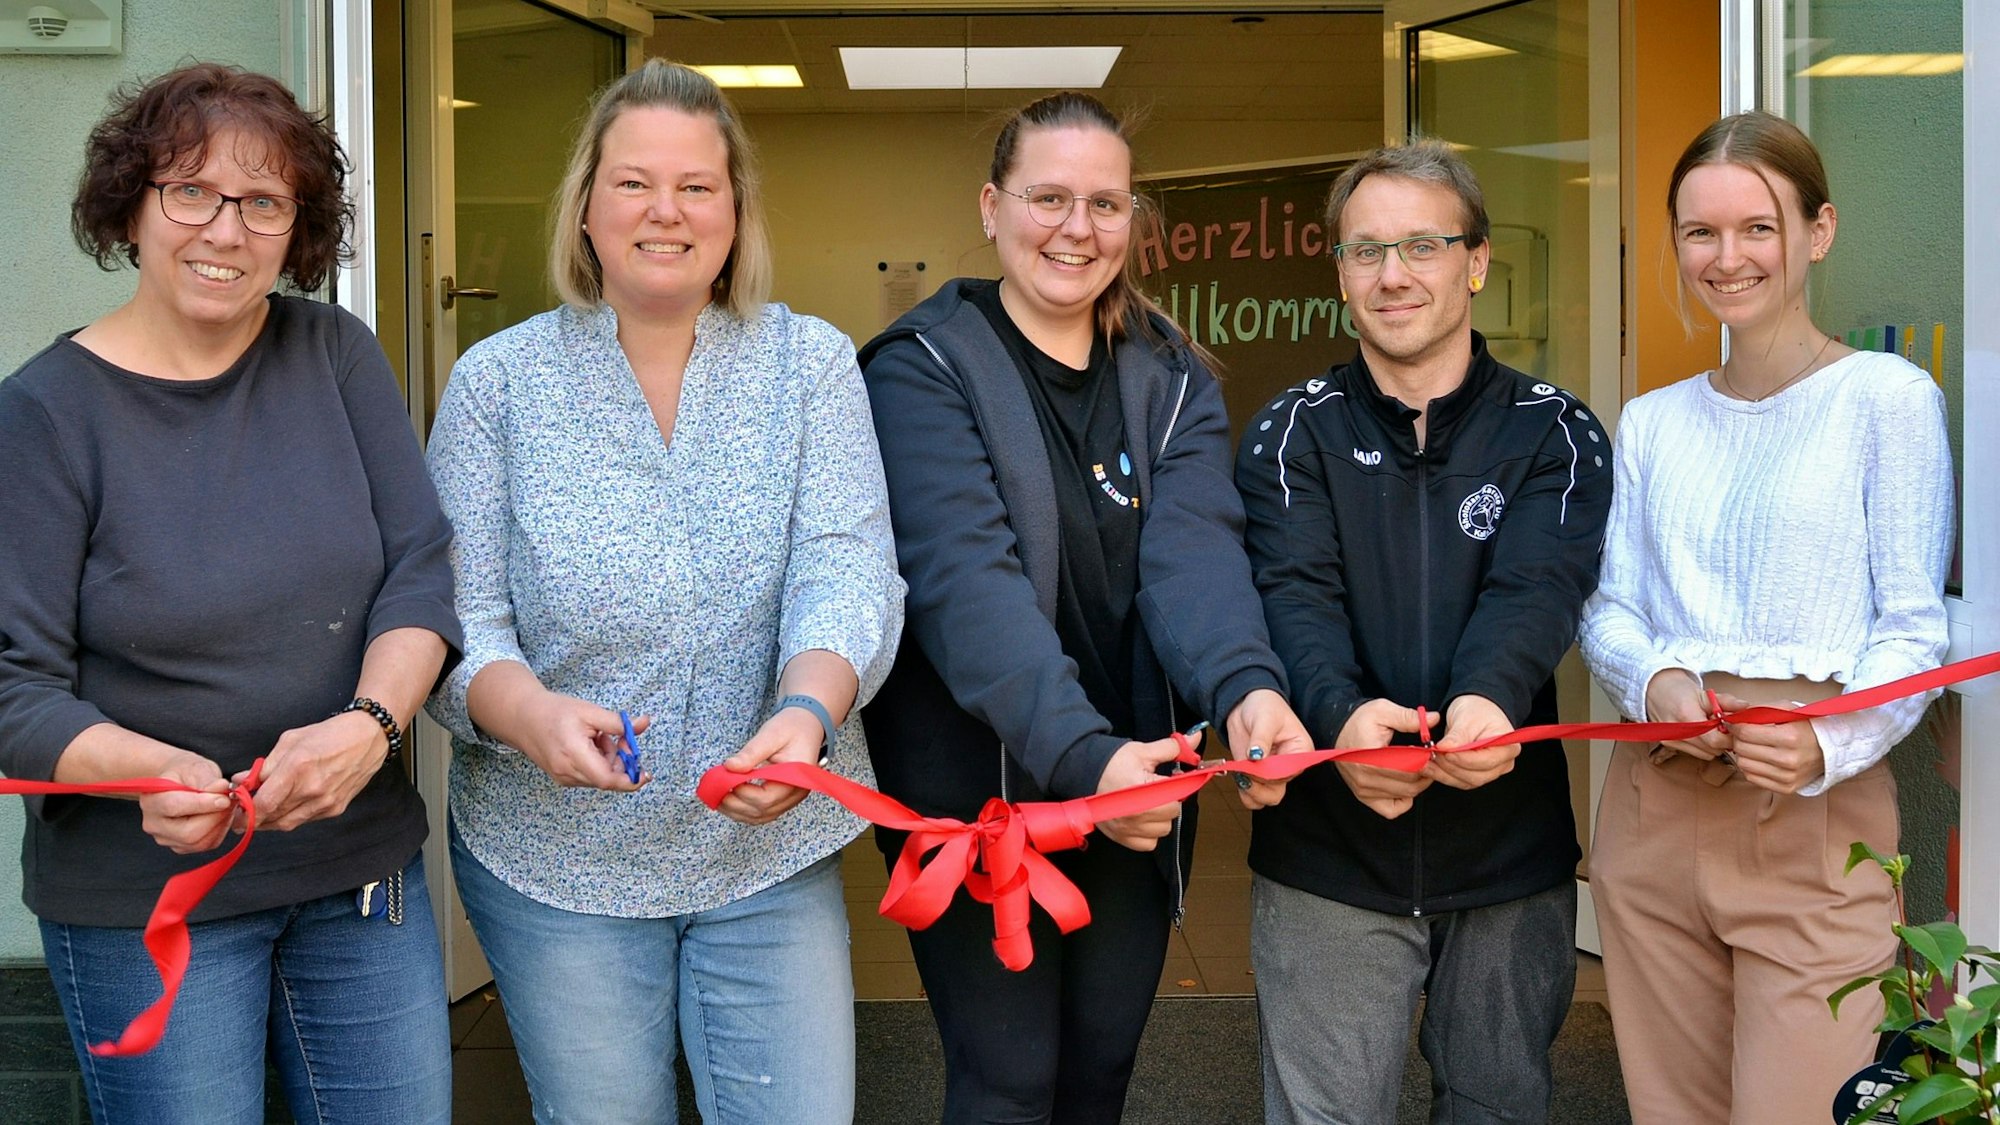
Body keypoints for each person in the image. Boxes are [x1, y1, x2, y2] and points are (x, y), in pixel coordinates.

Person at [423, 59, 903, 1125]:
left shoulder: (809, 365)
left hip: (762, 845)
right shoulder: (498, 383)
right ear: (586, 206)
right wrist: (529, 712)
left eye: (697, 186)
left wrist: (805, 715)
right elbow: (455, 620)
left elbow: (847, 570)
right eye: (633, 182)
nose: (665, 212)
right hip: (555, 860)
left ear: (735, 214)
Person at [0, 63, 461, 1122]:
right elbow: (14, 690)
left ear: (297, 228)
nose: (225, 229)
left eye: (264, 202)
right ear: (132, 204)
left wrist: (372, 724)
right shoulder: (44, 415)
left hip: (357, 876)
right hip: (147, 898)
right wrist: (143, 765)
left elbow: (420, 570)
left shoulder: (335, 354)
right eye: (190, 191)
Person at [857, 91, 1312, 1125]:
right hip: (983, 796)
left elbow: (1193, 558)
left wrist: (1244, 689)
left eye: (1103, 204)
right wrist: (1086, 758)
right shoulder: (919, 371)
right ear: (990, 205)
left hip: (1132, 791)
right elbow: (967, 590)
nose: (1076, 228)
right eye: (1047, 197)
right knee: (1006, 1077)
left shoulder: (1168, 376)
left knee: (1099, 1069)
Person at [1580, 111, 1952, 1124]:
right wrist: (1653, 682)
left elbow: (1914, 630)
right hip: (1655, 808)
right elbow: (1611, 607)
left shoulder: (1885, 399)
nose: (1725, 256)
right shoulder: (1651, 421)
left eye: (1757, 228)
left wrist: (1828, 741)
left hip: (1812, 817)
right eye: (1699, 232)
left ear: (1817, 230)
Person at [1234, 139, 1612, 1125]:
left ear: (1476, 260)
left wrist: (1485, 701)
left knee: (1495, 1108)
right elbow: (1291, 597)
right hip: (1328, 854)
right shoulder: (1287, 434)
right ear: (1340, 274)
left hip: (1506, 858)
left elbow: (1538, 587)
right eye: (1365, 252)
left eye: (1421, 246)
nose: (1392, 275)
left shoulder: (1554, 432)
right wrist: (1337, 715)